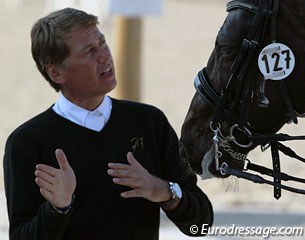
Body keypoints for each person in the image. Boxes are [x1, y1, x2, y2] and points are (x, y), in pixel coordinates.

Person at [3, 7, 213, 240]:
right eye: (89, 51)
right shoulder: (27, 143)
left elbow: (202, 224)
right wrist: (57, 208)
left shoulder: (149, 122)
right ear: (56, 73)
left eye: (102, 42)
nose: (104, 55)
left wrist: (164, 191)